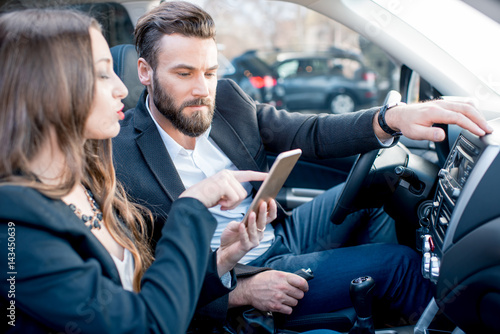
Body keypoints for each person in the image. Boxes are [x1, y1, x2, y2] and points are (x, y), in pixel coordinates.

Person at [112, 0, 493, 330]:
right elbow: (141, 284)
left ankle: (360, 305)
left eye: (209, 72)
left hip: (277, 233)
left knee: (377, 193)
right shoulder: (120, 158)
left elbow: (308, 132)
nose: (202, 89)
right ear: (145, 72)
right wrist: (238, 294)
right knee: (402, 265)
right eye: (184, 74)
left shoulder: (226, 99)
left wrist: (390, 119)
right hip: (236, 275)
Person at [0, 8, 289, 334]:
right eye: (102, 74)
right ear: (45, 89)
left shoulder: (93, 180)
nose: (122, 89)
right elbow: (149, 324)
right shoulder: (15, 230)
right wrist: (190, 208)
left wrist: (223, 258)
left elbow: (152, 291)